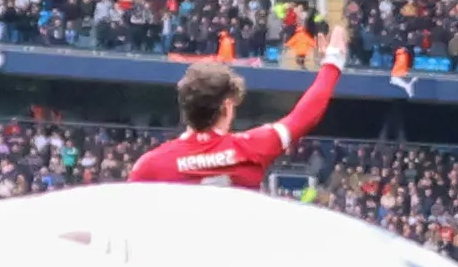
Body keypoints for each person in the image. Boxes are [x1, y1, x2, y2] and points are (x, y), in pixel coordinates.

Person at [129, 55, 337, 186]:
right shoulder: (251, 148)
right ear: (227, 107)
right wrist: (333, 61)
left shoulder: (150, 166)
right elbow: (306, 115)